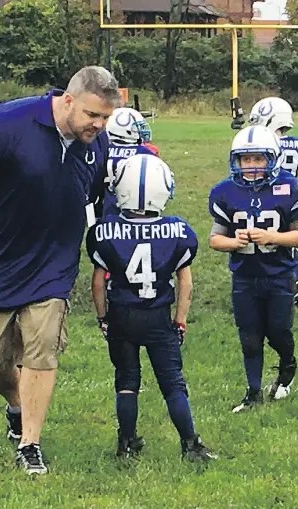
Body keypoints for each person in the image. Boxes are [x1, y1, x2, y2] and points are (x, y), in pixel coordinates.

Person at [0, 66, 122, 474]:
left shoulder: (96, 143)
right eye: (93, 115)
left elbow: (94, 199)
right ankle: (16, 405)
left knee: (42, 347)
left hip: (53, 263)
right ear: (69, 100)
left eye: (106, 117)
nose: (99, 125)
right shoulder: (6, 125)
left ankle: (30, 444)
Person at [86, 153, 216, 461]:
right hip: (157, 317)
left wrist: (103, 318)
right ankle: (190, 444)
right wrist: (180, 320)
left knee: (127, 381)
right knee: (172, 383)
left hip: (121, 314)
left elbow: (97, 283)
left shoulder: (104, 232)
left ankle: (127, 443)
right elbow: (185, 283)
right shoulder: (178, 231)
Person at [208, 125, 298, 412]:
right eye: (245, 159)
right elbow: (215, 239)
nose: (251, 166)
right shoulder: (225, 192)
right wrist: (232, 242)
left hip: (278, 275)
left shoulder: (290, 188)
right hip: (244, 277)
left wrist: (273, 238)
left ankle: (287, 365)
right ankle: (253, 393)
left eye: (258, 159)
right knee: (249, 337)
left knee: (279, 332)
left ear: (272, 159)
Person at [249, 97, 298, 307]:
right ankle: (297, 282)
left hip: (267, 195)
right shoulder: (297, 144)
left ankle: (265, 280)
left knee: (267, 237)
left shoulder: (259, 144)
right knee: (292, 239)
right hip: (293, 195)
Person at [93, 107, 159, 220]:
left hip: (108, 209)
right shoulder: (144, 152)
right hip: (137, 211)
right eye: (137, 127)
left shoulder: (102, 150)